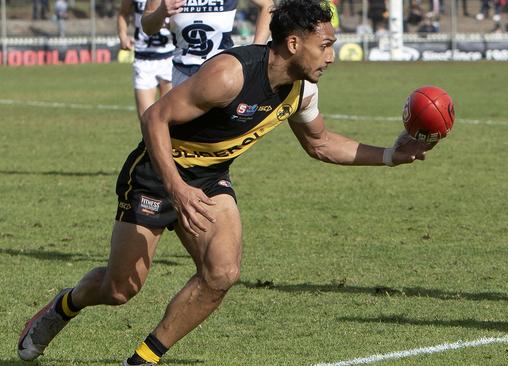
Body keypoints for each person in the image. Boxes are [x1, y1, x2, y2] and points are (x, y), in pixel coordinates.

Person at [17, 1, 433, 364]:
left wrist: (390, 156)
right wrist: (177, 189)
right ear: (293, 43)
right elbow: (154, 119)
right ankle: (64, 306)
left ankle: (143, 360)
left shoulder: (301, 90)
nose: (332, 56)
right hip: (157, 175)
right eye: (325, 45)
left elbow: (321, 143)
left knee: (222, 272)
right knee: (120, 289)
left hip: (211, 177)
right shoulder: (230, 74)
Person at [141, 0, 274, 87]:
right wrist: (161, 12)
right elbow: (148, 28)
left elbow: (268, 6)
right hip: (183, 72)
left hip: (222, 71)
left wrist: (255, 51)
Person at [117, 0, 175, 118]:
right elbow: (123, 13)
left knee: (172, 118)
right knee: (146, 120)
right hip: (143, 59)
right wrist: (123, 36)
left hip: (170, 57)